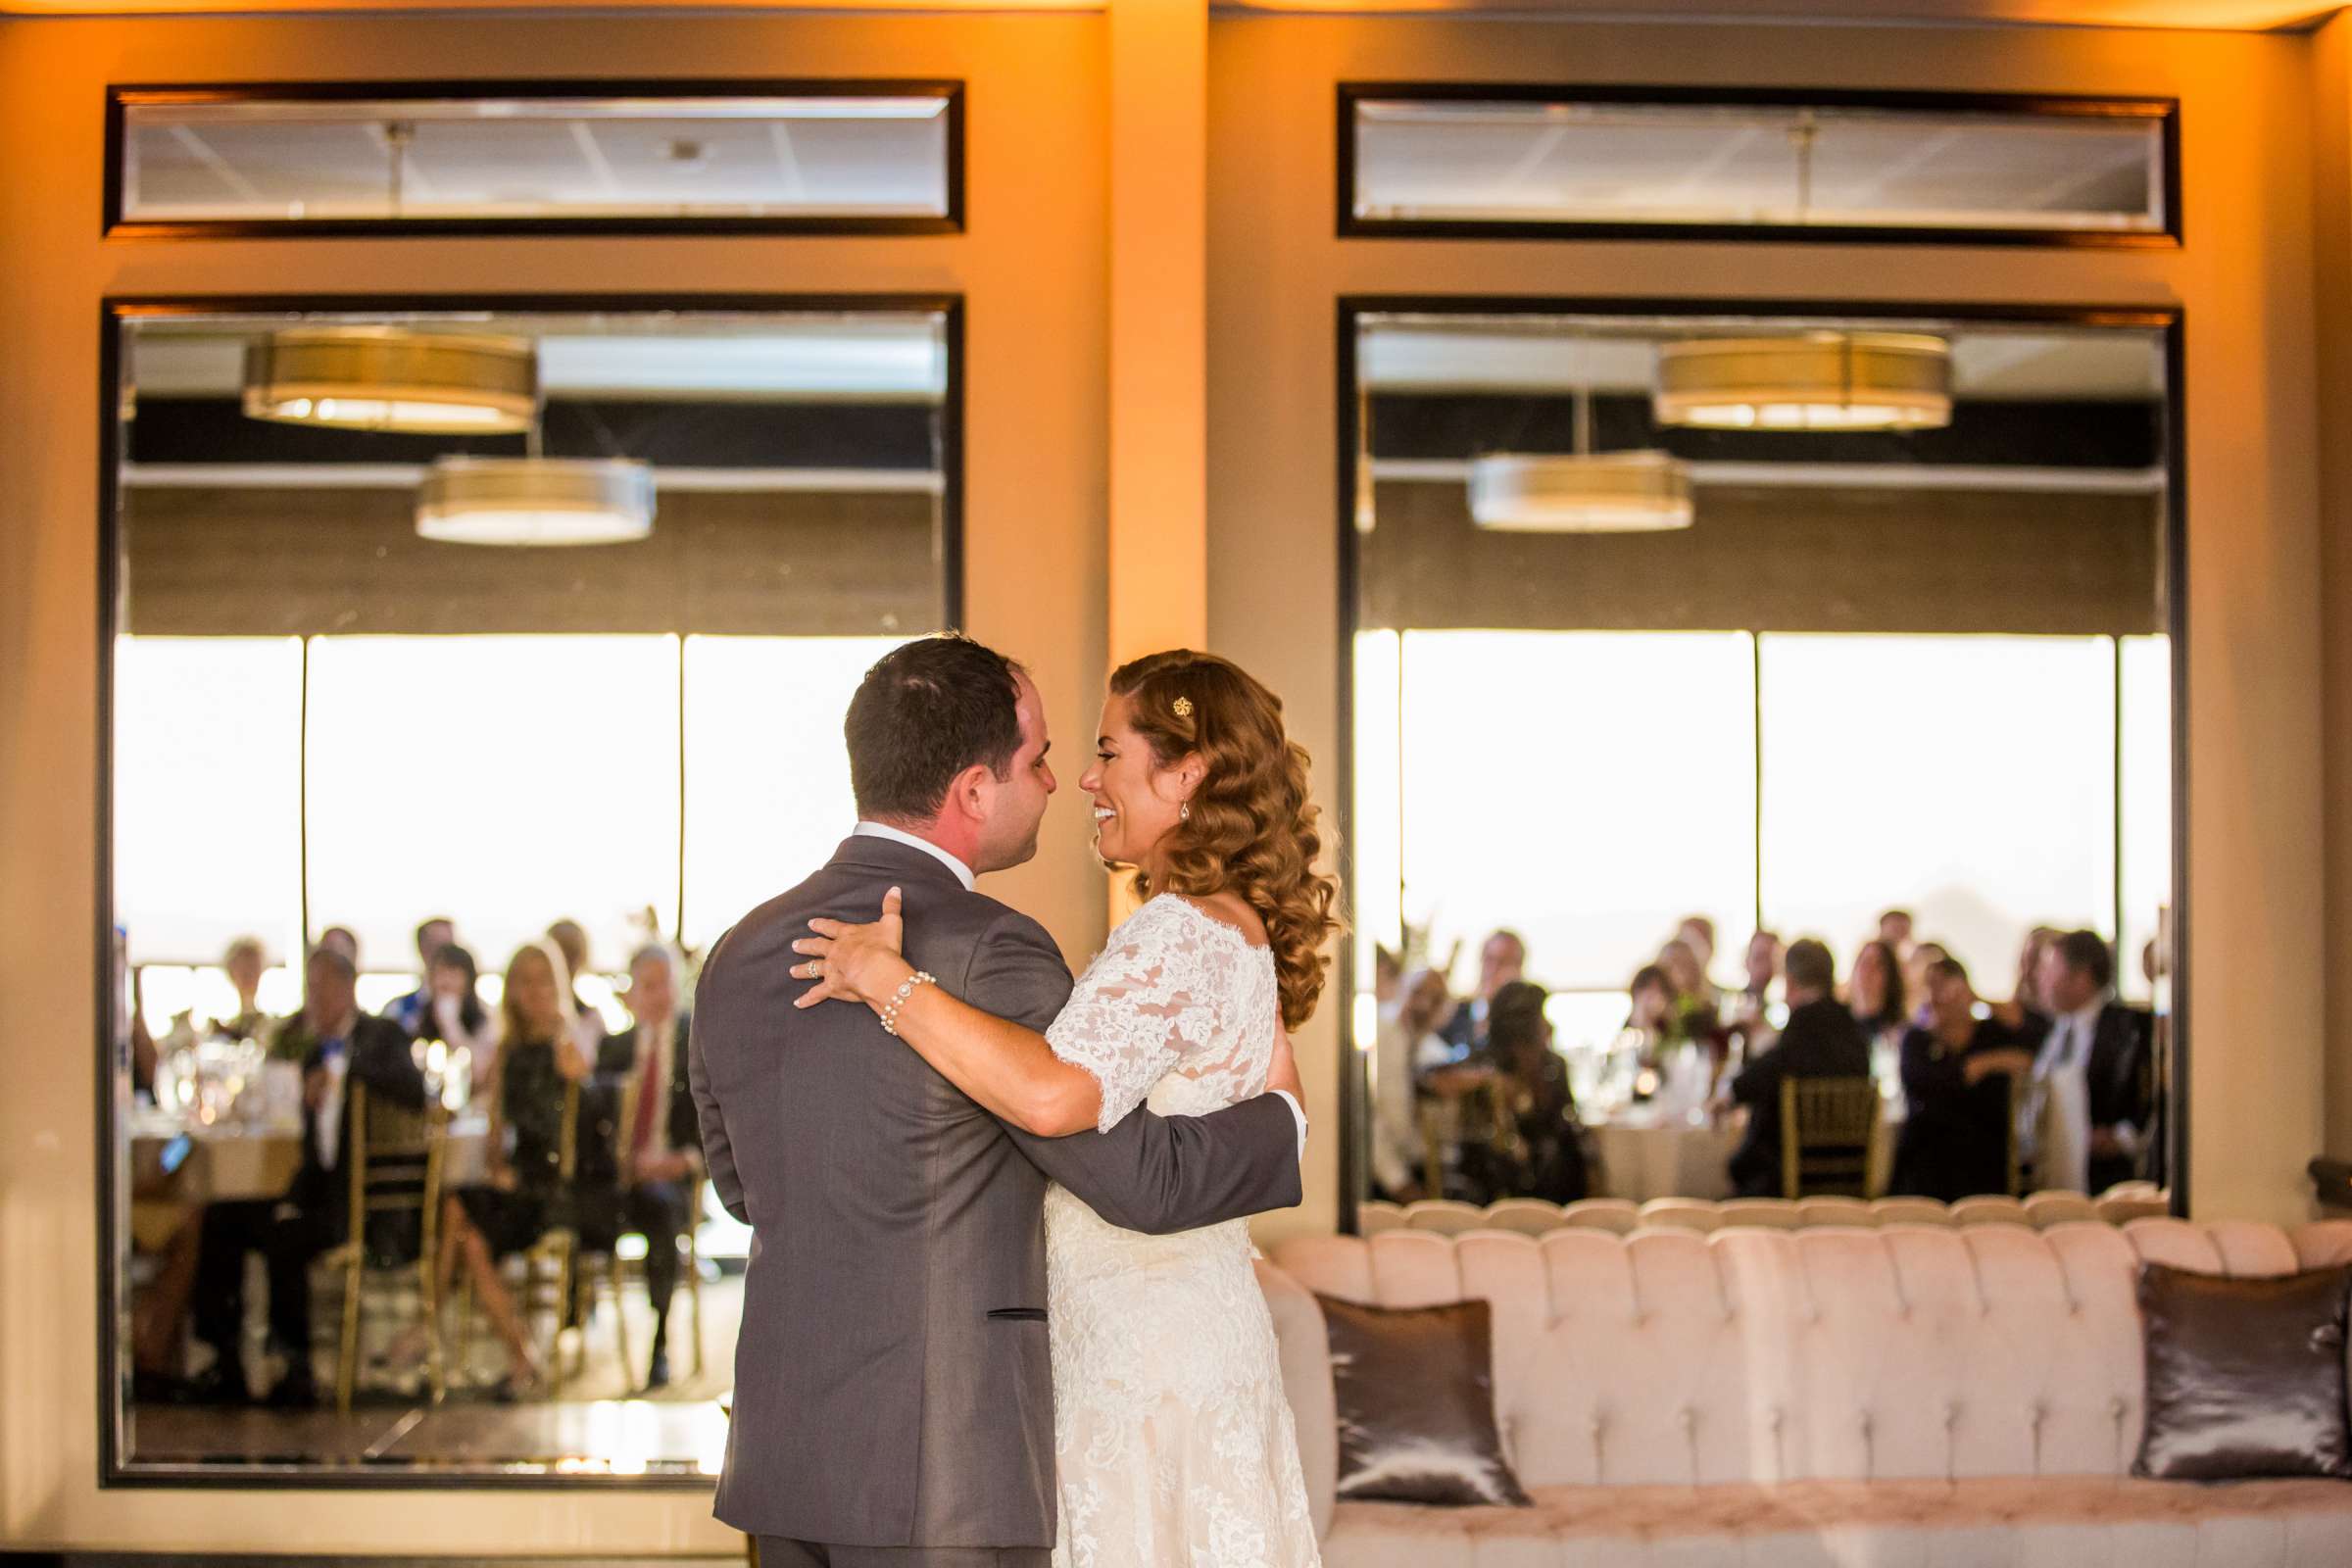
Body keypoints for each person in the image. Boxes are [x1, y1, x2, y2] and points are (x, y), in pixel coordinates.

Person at [692, 635, 1312, 1568]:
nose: (1067, 783)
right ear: (976, 790)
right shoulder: (995, 950)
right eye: (1045, 759)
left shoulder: (739, 951)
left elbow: (743, 1189)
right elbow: (1130, 1179)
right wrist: (1284, 1127)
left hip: (785, 1459)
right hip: (947, 1462)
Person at [189, 946, 424, 1405]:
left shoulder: (382, 1036)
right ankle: (222, 1358)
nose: (314, 998)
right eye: (310, 988)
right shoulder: (309, 1047)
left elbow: (410, 1090)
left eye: (322, 988)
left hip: (367, 1208)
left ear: (346, 988)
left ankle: (295, 1367)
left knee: (286, 1235)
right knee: (223, 1215)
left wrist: (342, 1078)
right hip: (318, 1191)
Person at [433, 940, 589, 1396]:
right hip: (520, 1184)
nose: (534, 991)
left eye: (543, 980)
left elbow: (580, 1131)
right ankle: (521, 1354)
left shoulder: (568, 1045)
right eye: (524, 982)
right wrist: (500, 1169)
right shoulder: (507, 1051)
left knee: (461, 1219)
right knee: (462, 1217)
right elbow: (496, 1134)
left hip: (555, 1192)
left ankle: (431, 1326)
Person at [586, 942, 703, 1390]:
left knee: (659, 1213)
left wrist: (679, 1162)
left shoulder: (696, 1042)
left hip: (668, 1180)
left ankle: (659, 1342)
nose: (657, 996)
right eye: (648, 986)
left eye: (665, 985)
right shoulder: (614, 1048)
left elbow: (715, 1127)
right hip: (618, 1180)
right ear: (632, 992)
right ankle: (576, 1322)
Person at [1725, 938, 1871, 1199]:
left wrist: (1728, 1094)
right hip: (1850, 1173)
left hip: (1788, 1178)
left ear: (1790, 981)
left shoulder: (1804, 1025)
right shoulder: (1853, 1027)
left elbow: (1764, 1073)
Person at [1888, 956, 2035, 1201]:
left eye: (1942, 986)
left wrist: (1985, 1061)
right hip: (1925, 1164)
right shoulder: (1916, 1041)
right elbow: (1935, 1086)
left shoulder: (1991, 1035)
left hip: (1984, 1161)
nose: (1934, 997)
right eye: (1927, 987)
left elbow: (2033, 1049)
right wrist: (1974, 1068)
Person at [2029, 929, 2154, 1194]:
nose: (2040, 978)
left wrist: (2121, 1139)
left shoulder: (2128, 1028)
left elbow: (2150, 1091)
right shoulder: (2057, 1030)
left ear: (2081, 977)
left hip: (2107, 1180)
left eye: (2050, 970)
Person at [1461, 980, 1585, 1203]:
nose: (1547, 1026)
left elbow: (1563, 1122)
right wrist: (1493, 1083)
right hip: (1494, 1183)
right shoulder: (1482, 1066)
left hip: (1552, 1182)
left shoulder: (1553, 1067)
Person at [1371, 966, 1454, 1202]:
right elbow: (1365, 1116)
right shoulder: (1378, 1033)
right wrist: (1398, 1182)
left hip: (1412, 1170)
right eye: (1418, 993)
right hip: (1379, 1179)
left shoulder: (1435, 1052)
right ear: (1402, 990)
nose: (1425, 1005)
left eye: (1436, 999)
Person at [1441, 928, 1526, 1054]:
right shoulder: (1452, 1014)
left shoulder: (1527, 1024)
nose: (1493, 969)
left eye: (1503, 962)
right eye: (1489, 960)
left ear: (1519, 969)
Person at [383, 916, 457, 1038]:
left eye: (451, 948)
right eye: (437, 947)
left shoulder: (479, 1013)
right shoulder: (396, 1010)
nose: (445, 956)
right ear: (422, 949)